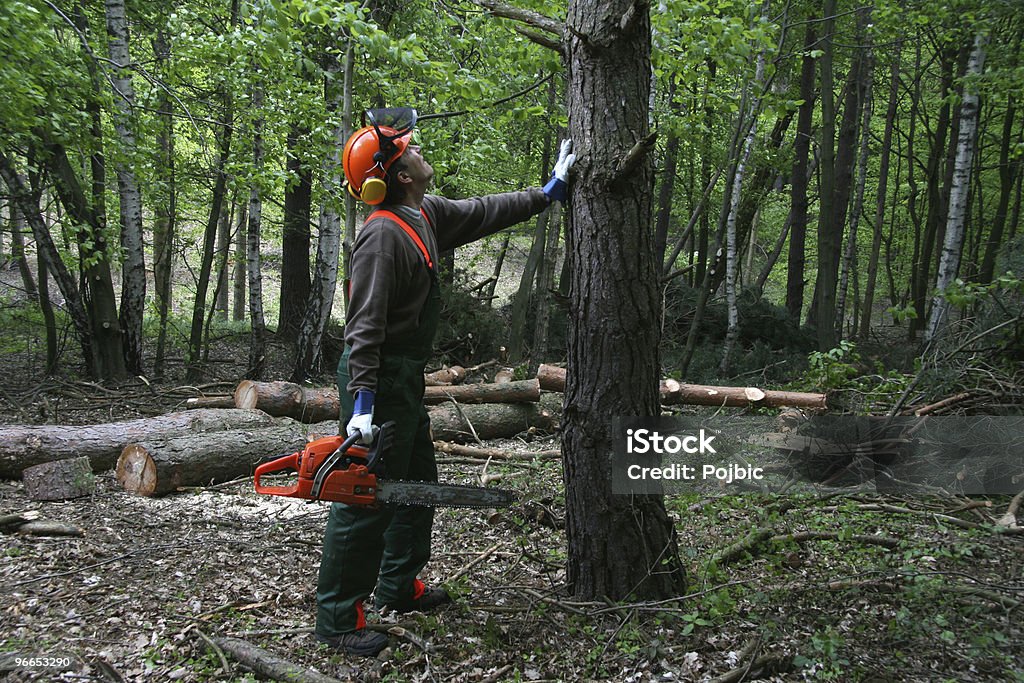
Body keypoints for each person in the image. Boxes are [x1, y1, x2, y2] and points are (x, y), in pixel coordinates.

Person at [315, 107, 575, 657]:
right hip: (377, 376)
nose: (417, 148)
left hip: (402, 378)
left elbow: (485, 211)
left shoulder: (423, 213)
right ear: (399, 173)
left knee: (415, 485)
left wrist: (549, 191)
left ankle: (398, 586)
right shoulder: (382, 236)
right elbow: (364, 328)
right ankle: (338, 619)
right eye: (408, 147)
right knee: (366, 496)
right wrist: (361, 406)